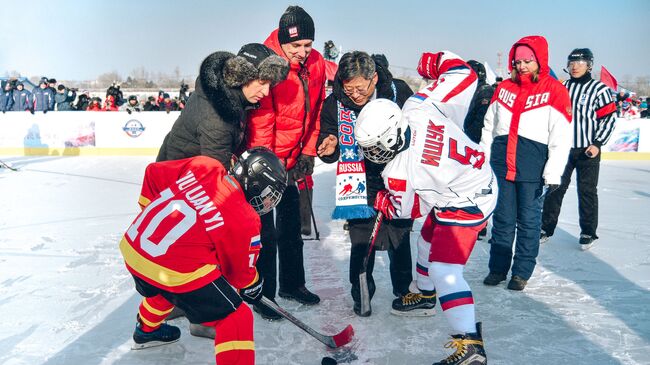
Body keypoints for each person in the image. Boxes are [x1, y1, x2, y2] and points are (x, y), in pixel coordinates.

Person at [354, 50, 496, 365]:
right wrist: (435, 61)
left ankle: (471, 345)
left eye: (375, 148)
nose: (373, 155)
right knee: (426, 240)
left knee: (445, 269)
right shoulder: (417, 106)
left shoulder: (398, 172)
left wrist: (383, 201)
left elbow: (406, 210)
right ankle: (427, 296)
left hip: (469, 199)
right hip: (469, 180)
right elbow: (464, 74)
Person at [119, 146, 288, 365]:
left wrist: (148, 213)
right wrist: (254, 285)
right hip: (170, 267)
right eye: (268, 195)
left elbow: (153, 172)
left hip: (134, 247)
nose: (268, 203)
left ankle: (146, 331)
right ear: (256, 184)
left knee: (167, 288)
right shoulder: (246, 218)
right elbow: (239, 277)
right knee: (237, 317)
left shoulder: (206, 166)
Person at [316, 51, 418, 317]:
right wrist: (329, 147)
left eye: (360, 88)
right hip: (359, 177)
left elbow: (417, 128)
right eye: (349, 89)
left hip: (397, 172)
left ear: (373, 78)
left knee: (399, 233)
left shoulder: (398, 92)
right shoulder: (334, 104)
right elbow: (329, 137)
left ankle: (404, 291)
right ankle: (361, 292)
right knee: (361, 237)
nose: (355, 95)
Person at [246, 5, 326, 320]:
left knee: (291, 228)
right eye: (296, 47)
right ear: (282, 42)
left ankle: (293, 284)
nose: (303, 52)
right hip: (265, 162)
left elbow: (317, 109)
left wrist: (307, 151)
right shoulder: (269, 64)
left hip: (294, 160)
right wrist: (269, 165)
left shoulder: (317, 63)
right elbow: (263, 119)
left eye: (307, 45)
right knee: (264, 233)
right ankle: (265, 295)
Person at [480, 35, 572, 291]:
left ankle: (521, 271)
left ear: (539, 61)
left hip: (532, 168)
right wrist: (484, 161)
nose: (521, 66)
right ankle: (497, 269)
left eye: (527, 61)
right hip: (501, 166)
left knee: (529, 223)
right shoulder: (503, 88)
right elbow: (489, 127)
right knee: (502, 221)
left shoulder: (555, 90)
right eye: (518, 61)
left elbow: (561, 136)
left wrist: (553, 172)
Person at [156, 43, 289, 168]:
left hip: (185, 172)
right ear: (242, 75)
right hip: (176, 178)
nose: (266, 92)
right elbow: (218, 173)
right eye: (262, 82)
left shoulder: (231, 95)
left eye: (270, 85)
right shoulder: (217, 116)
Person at [541, 48, 617, 250]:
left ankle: (588, 232)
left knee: (587, 192)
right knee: (554, 189)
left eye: (580, 63)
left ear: (589, 65)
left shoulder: (599, 89)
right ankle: (545, 228)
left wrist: (597, 143)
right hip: (562, 150)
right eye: (571, 63)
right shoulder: (562, 87)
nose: (574, 67)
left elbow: (608, 119)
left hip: (587, 150)